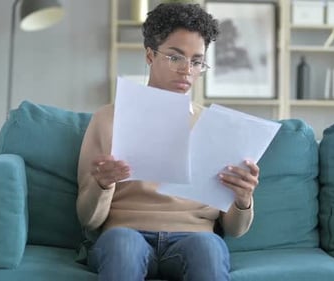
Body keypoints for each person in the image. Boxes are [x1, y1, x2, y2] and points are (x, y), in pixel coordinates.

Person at [76, 3, 259, 281]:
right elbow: (88, 219)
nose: (187, 70)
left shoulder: (216, 127)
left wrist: (243, 200)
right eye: (176, 58)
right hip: (125, 232)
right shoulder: (108, 119)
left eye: (197, 61)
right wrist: (103, 183)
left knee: (209, 248)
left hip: (195, 235)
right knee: (124, 246)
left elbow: (235, 229)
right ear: (150, 55)